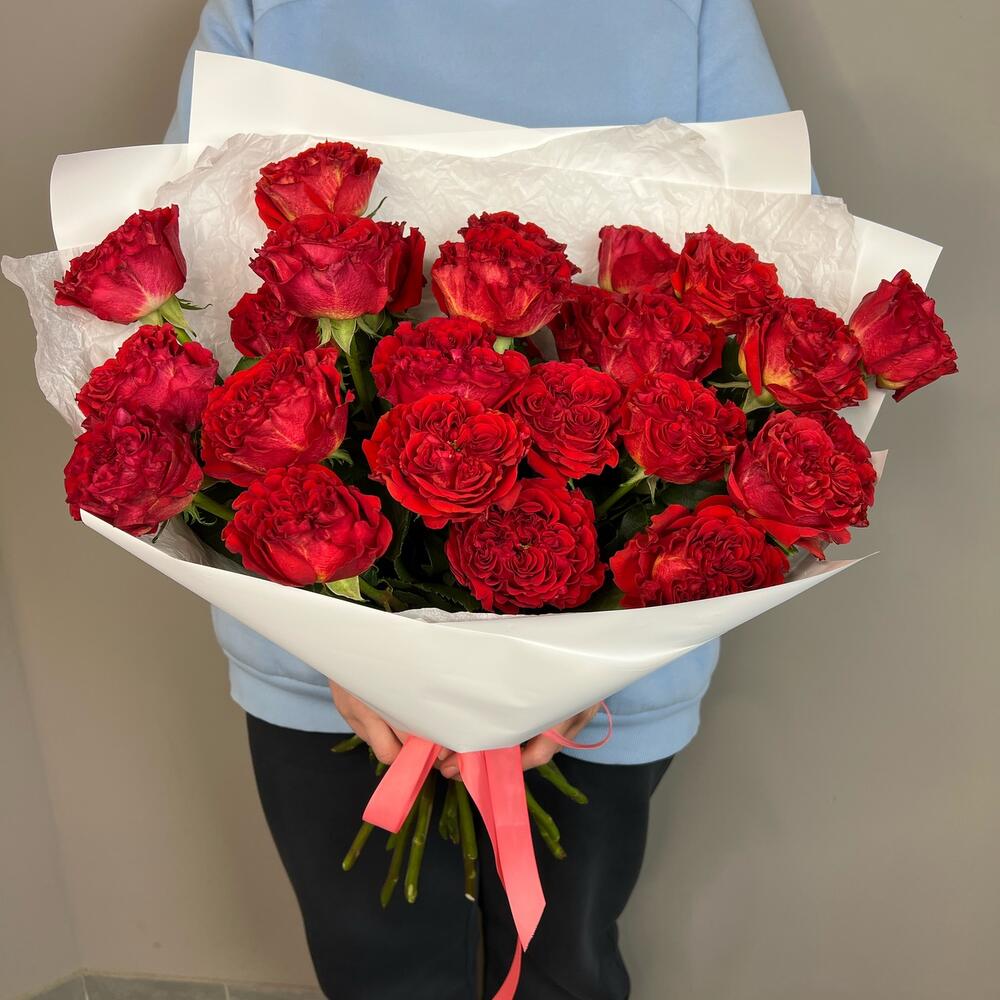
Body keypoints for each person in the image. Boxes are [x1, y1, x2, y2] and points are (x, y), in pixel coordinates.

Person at [167, 3, 793, 997]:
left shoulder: (691, 11)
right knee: (375, 966)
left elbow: (781, 296)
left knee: (561, 967)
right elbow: (186, 288)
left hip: (603, 674)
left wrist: (592, 649)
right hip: (323, 662)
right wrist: (338, 634)